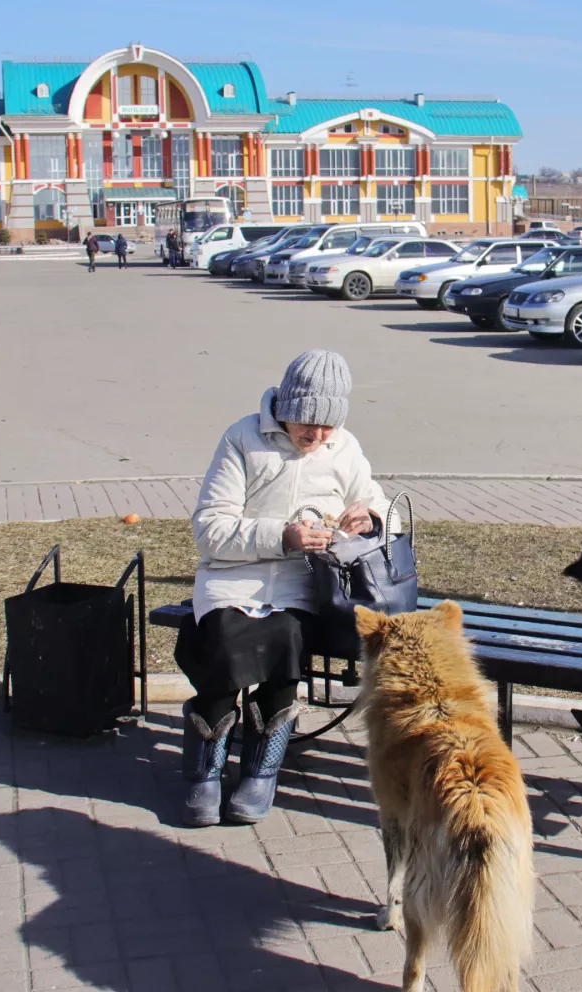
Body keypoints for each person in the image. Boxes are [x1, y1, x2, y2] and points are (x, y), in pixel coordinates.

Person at [178, 350, 390, 827]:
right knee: (221, 642)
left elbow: (380, 509)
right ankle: (203, 773)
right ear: (285, 409)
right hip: (233, 577)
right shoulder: (242, 438)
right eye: (305, 428)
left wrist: (370, 516)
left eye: (326, 429)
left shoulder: (345, 448)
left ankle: (260, 771)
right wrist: (282, 535)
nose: (316, 439)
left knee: (287, 641)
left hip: (304, 582)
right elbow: (208, 528)